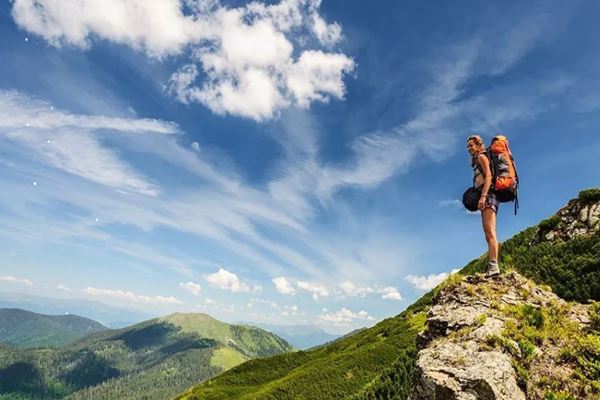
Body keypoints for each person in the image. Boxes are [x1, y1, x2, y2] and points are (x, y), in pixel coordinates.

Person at [467, 135, 500, 278]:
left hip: (488, 195)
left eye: (471, 145)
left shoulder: (481, 157)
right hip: (487, 196)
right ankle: (492, 266)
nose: (469, 148)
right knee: (488, 234)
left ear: (478, 145)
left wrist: (484, 195)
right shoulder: (477, 159)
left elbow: (488, 176)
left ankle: (493, 267)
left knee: (490, 233)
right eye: (468, 146)